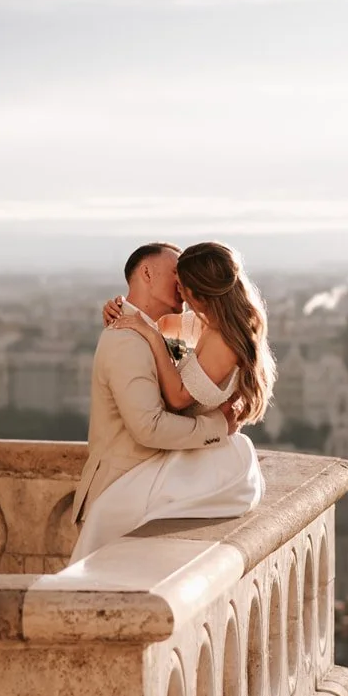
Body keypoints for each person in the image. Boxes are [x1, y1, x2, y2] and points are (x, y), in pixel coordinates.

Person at [68, 241, 272, 563]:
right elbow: (149, 426)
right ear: (147, 273)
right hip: (128, 483)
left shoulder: (184, 330)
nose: (181, 283)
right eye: (176, 273)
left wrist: (138, 322)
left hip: (163, 478)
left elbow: (174, 386)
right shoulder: (126, 339)